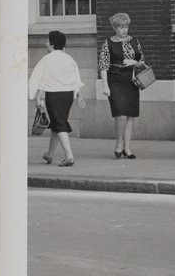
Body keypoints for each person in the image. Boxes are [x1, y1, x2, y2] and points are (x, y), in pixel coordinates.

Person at [29, 30, 87, 167]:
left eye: (47, 40)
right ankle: (49, 154)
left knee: (59, 123)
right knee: (58, 122)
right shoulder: (69, 59)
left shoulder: (46, 59)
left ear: (52, 44)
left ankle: (69, 156)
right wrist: (79, 95)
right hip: (68, 95)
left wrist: (37, 97)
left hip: (53, 95)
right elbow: (75, 78)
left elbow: (40, 79)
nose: (46, 43)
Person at [97, 12, 145, 159]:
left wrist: (134, 62)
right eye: (121, 27)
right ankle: (119, 143)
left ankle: (127, 148)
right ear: (115, 28)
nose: (124, 30)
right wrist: (105, 86)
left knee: (130, 115)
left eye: (126, 27)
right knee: (121, 113)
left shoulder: (134, 41)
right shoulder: (108, 43)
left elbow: (142, 61)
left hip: (131, 81)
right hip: (115, 80)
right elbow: (103, 66)